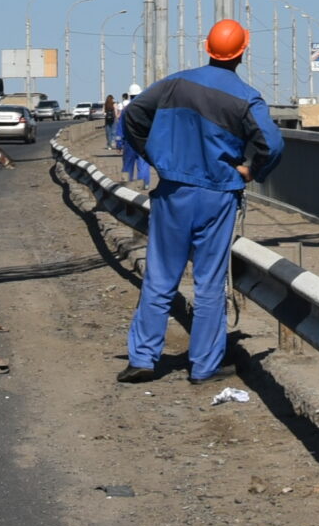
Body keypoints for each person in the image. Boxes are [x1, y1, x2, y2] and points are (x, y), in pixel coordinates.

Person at [118, 20, 284, 384]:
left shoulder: (174, 84)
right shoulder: (246, 97)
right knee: (208, 282)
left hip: (173, 191)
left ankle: (143, 358)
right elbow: (271, 144)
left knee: (160, 276)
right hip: (218, 196)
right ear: (243, 51)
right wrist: (249, 169)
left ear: (206, 47)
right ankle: (205, 366)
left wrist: (153, 155)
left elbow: (132, 115)